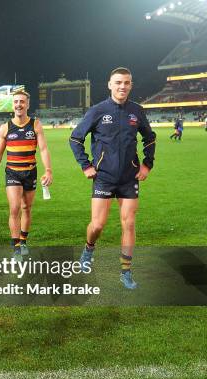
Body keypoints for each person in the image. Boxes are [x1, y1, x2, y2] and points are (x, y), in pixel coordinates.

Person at [70, 67, 156, 290]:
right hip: (104, 177)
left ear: (131, 85)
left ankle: (126, 272)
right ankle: (89, 248)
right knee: (97, 225)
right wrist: (86, 165)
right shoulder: (98, 110)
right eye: (118, 82)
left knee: (129, 223)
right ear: (110, 84)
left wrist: (147, 164)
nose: (122, 86)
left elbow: (149, 138)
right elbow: (75, 138)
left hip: (129, 177)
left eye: (126, 82)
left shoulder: (137, 111)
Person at [0, 90, 53, 258]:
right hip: (13, 173)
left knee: (26, 208)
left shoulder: (35, 124)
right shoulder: (6, 127)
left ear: (27, 104)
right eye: (16, 101)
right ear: (12, 104)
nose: (19, 104)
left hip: (30, 172)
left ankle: (23, 241)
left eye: (22, 101)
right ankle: (16, 249)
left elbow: (43, 149)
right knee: (14, 208)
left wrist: (48, 169)